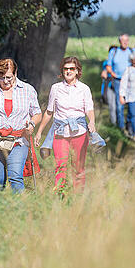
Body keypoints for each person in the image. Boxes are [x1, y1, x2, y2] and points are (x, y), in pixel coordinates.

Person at [0, 59, 41, 193]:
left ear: (15, 73)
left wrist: (32, 124)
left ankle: (19, 210)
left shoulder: (28, 90)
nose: (5, 81)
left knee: (15, 176)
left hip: (18, 141)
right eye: (1, 77)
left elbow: (37, 113)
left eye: (9, 77)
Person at [35, 57, 96, 192]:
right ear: (62, 71)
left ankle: (77, 195)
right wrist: (39, 132)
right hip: (60, 132)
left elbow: (89, 109)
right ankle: (60, 194)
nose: (68, 71)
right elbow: (49, 112)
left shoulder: (84, 89)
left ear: (77, 71)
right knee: (60, 165)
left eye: (71, 69)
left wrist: (92, 122)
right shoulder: (56, 88)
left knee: (78, 166)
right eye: (65, 69)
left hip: (79, 132)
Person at [105, 34, 133, 131]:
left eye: (127, 40)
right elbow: (108, 66)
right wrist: (113, 74)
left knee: (131, 104)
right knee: (119, 105)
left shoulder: (131, 51)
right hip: (118, 81)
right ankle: (121, 128)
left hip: (129, 81)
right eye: (123, 40)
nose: (125, 42)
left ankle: (130, 126)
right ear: (120, 41)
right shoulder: (114, 52)